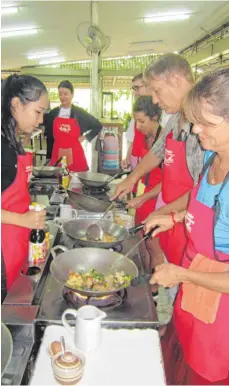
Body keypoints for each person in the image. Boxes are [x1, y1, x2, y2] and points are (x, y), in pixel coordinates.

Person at [147, 68, 229, 385]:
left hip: (220, 315)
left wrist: (181, 274)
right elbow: (202, 204)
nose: (195, 131)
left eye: (205, 123)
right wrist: (174, 216)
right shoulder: (212, 157)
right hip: (193, 292)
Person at [112, 54, 205, 267]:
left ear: (176, 80)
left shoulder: (201, 125)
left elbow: (202, 189)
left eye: (157, 90)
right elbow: (157, 151)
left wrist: (162, 212)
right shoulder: (175, 118)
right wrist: (131, 179)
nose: (154, 99)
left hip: (188, 222)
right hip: (171, 218)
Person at [1, 74, 47, 301]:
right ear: (16, 104)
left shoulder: (11, 141)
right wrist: (23, 220)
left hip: (14, 245)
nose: (40, 120)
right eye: (37, 112)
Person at [126, 96, 164, 272]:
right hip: (142, 196)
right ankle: (145, 280)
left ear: (154, 117)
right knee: (143, 244)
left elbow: (167, 182)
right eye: (136, 121)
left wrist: (144, 197)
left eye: (142, 121)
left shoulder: (164, 140)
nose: (138, 126)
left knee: (154, 247)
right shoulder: (144, 136)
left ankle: (154, 289)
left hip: (157, 201)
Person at [45, 80, 103, 171]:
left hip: (75, 154)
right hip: (58, 154)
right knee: (60, 180)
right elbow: (49, 138)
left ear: (72, 94)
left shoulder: (79, 113)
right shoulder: (53, 113)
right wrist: (48, 157)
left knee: (75, 182)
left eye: (66, 94)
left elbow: (98, 125)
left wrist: (85, 137)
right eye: (60, 94)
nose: (63, 97)